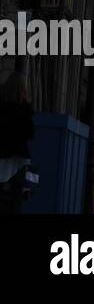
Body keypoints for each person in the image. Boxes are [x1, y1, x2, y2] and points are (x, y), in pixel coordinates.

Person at [0, 71, 35, 215]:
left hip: (2, 157)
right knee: (16, 200)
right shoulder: (23, 110)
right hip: (17, 160)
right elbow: (29, 133)